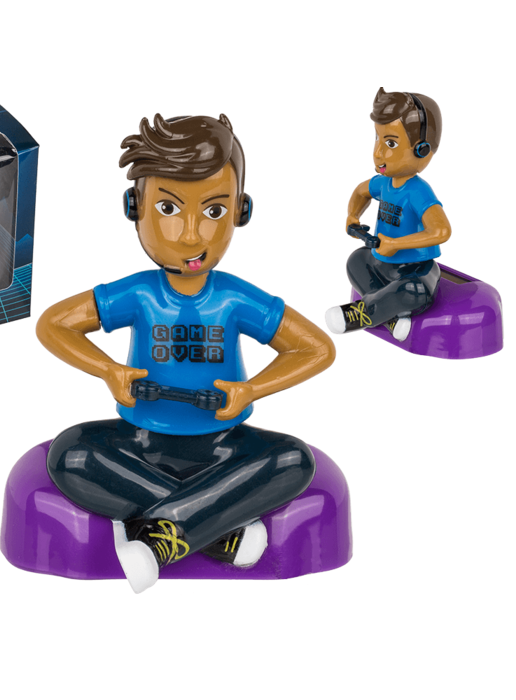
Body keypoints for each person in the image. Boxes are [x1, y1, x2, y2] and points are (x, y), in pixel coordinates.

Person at [37, 114, 335, 593]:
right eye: (169, 208)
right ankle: (216, 531)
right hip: (140, 444)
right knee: (71, 454)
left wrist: (252, 389)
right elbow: (53, 324)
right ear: (134, 207)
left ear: (241, 211)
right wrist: (107, 369)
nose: (191, 234)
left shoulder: (235, 298)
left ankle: (157, 536)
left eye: (214, 211)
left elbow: (316, 348)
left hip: (225, 446)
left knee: (293, 460)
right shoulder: (138, 293)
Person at [326, 88, 452, 342]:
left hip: (415, 269)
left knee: (414, 292)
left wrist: (396, 243)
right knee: (355, 261)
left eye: (391, 143)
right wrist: (352, 216)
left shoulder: (417, 191)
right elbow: (360, 191)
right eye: (377, 138)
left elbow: (441, 230)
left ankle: (361, 314)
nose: (378, 152)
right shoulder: (384, 183)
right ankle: (390, 313)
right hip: (383, 263)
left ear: (422, 150)